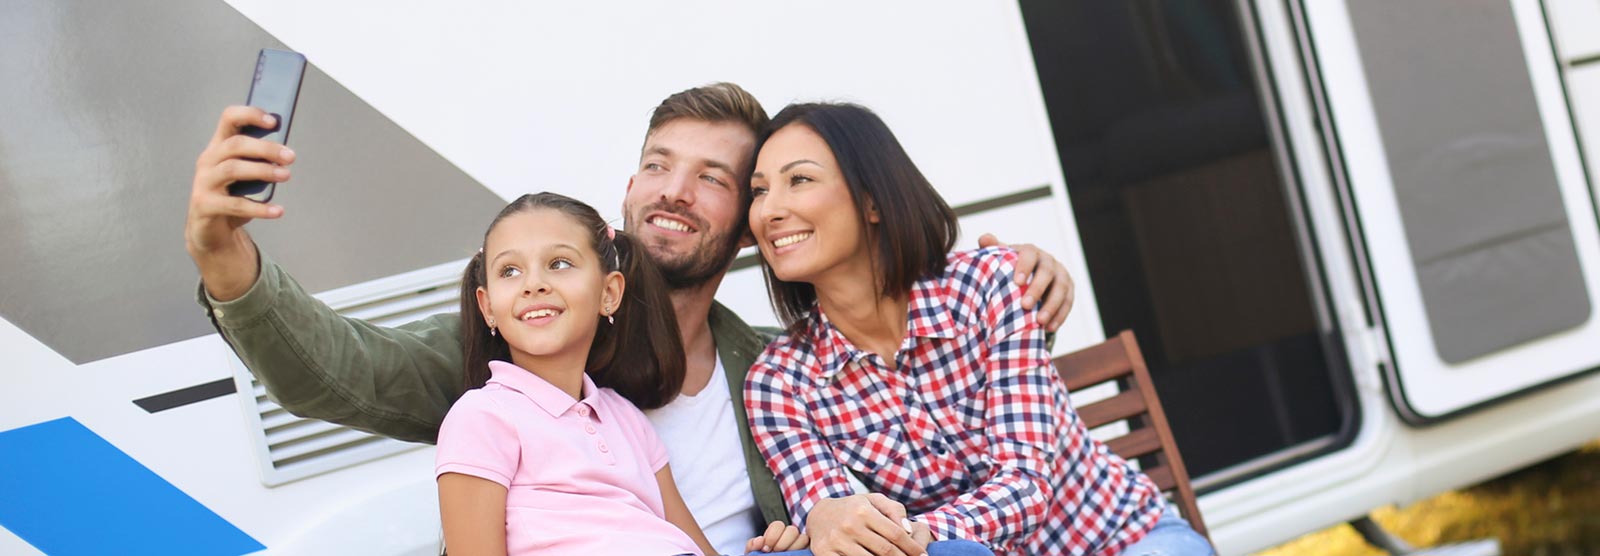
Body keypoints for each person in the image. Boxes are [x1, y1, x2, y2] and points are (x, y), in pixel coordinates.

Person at [185, 83, 1073, 556]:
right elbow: (339, 370)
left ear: (751, 221)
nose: (675, 191)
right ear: (628, 190)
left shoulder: (776, 371)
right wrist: (226, 255)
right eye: (658, 164)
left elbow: (937, 412)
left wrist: (1015, 273)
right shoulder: (541, 355)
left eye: (715, 178)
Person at [743, 103, 1215, 556]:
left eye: (799, 180)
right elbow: (837, 524)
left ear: (872, 200)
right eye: (759, 191)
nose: (769, 211)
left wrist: (912, 534)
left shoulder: (990, 286)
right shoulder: (780, 382)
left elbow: (1025, 483)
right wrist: (841, 527)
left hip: (1120, 541)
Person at [435, 192, 806, 555]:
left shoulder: (625, 417)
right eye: (510, 271)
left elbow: (693, 544)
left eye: (559, 263)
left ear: (609, 293)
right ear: (488, 308)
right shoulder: (483, 416)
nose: (533, 284)